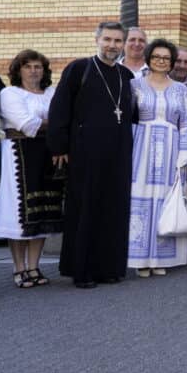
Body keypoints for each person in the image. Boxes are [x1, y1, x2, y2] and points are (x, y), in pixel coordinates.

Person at [48, 23, 137, 288]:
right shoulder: (79, 68)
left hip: (118, 152)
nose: (112, 45)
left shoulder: (125, 75)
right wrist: (59, 146)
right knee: (86, 208)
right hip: (85, 151)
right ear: (97, 39)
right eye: (107, 39)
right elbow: (60, 107)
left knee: (113, 209)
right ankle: (82, 270)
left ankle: (108, 268)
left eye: (118, 41)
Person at [127, 39, 187, 277]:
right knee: (140, 197)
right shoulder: (133, 85)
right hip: (140, 146)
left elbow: (186, 124)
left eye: (166, 58)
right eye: (157, 56)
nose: (161, 61)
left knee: (168, 198)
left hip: (172, 146)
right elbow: (127, 120)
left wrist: (185, 155)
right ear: (148, 58)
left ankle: (160, 258)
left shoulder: (181, 89)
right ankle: (139, 259)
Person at [0, 50, 63, 288]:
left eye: (38, 67)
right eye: (28, 67)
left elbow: (60, 120)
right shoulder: (10, 93)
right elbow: (27, 126)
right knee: (20, 213)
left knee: (43, 211)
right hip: (19, 155)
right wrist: (52, 124)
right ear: (18, 70)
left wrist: (52, 125)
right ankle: (19, 268)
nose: (34, 71)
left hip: (47, 155)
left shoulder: (51, 93)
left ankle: (34, 266)